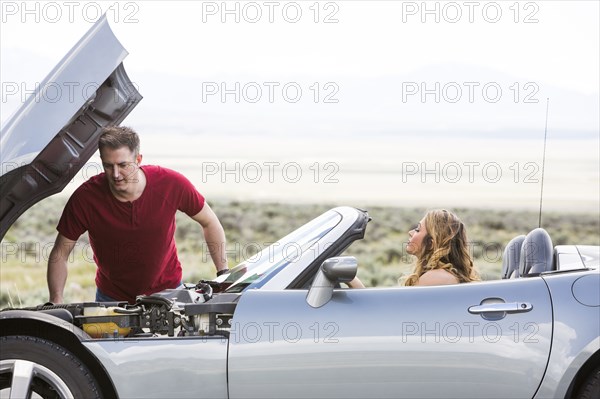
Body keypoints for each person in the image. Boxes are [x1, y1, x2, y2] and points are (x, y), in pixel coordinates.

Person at [47, 126, 228, 304]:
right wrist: (56, 301)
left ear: (138, 159)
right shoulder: (85, 198)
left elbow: (210, 222)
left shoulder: (171, 184)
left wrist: (223, 275)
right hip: (111, 299)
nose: (116, 174)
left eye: (123, 165)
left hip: (169, 293)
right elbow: (59, 254)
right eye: (108, 166)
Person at [404, 209, 479, 286]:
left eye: (417, 230)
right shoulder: (443, 275)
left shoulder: (434, 278)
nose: (410, 233)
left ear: (431, 243)